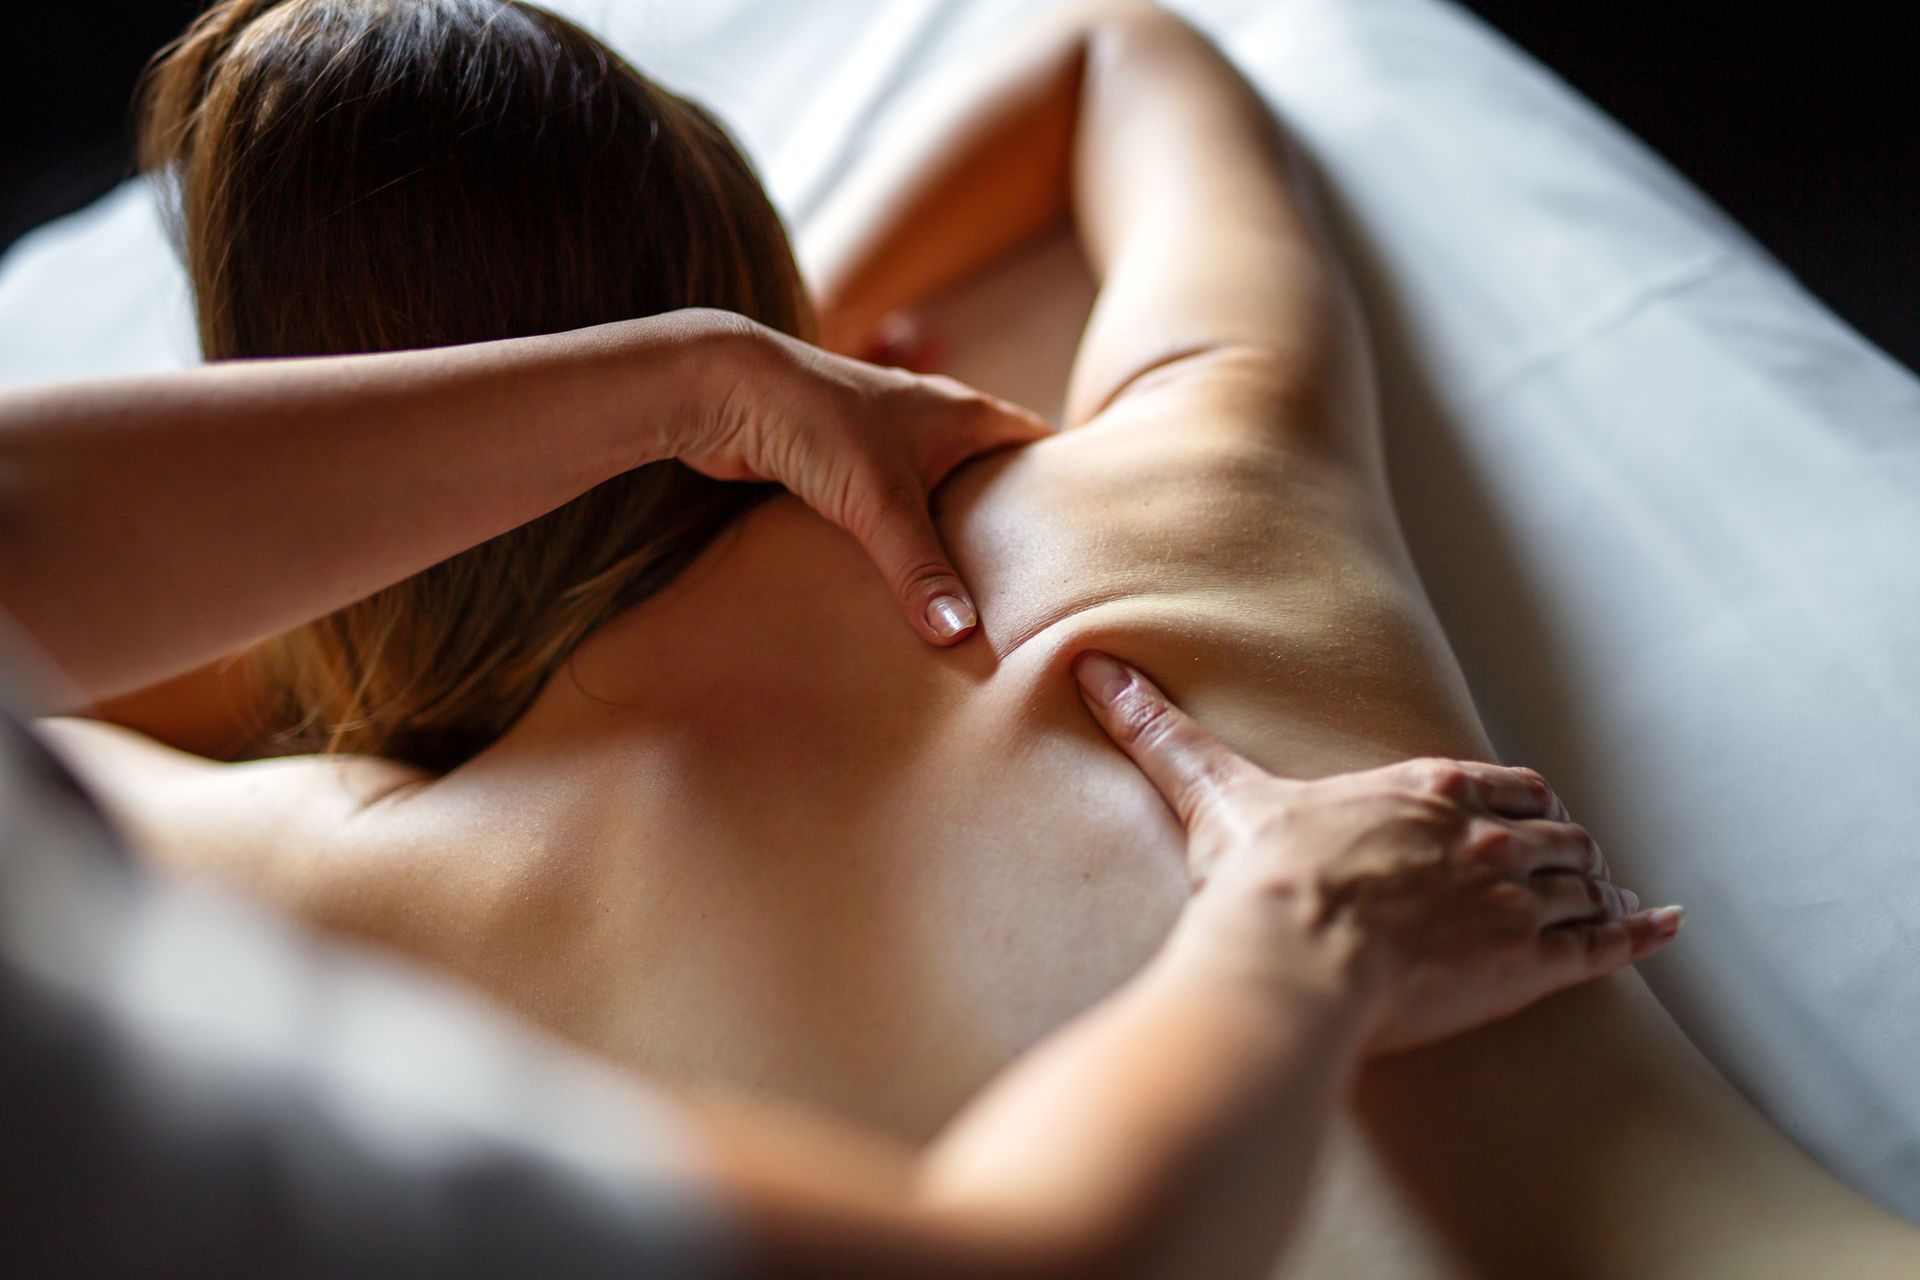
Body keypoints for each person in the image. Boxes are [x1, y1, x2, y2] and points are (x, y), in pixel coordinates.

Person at [15, 0, 1916, 1274]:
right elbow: (1118, 51)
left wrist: (412, 626)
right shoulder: (1159, 484)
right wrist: (766, 364)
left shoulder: (326, 879)